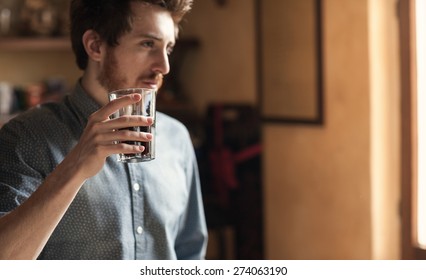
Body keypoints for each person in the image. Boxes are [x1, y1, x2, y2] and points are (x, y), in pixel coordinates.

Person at [0, 0, 207, 260]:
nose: (164, 66)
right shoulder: (26, 138)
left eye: (168, 48)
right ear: (95, 46)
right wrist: (73, 168)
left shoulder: (177, 138)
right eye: (147, 44)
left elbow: (189, 253)